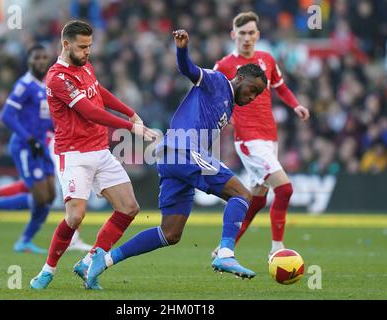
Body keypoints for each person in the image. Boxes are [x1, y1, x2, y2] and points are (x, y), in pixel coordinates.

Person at [86, 29, 267, 289]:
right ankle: (226, 254)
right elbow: (189, 69)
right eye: (252, 89)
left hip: (173, 159)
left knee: (170, 233)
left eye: (257, 95)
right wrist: (182, 49)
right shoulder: (218, 81)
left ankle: (103, 260)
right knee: (242, 195)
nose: (251, 97)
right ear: (239, 78)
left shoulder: (229, 104)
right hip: (184, 151)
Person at [29, 20, 158, 289]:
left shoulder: (84, 65)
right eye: (83, 46)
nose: (88, 51)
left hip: (100, 150)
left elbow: (98, 93)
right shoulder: (58, 78)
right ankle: (48, 270)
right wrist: (130, 126)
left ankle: (89, 262)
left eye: (89, 46)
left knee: (129, 207)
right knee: (75, 216)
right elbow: (89, 111)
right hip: (74, 154)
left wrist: (129, 111)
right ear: (66, 44)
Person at [212, 12, 310, 259]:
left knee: (257, 200)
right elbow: (211, 96)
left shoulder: (266, 59)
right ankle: (276, 249)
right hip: (248, 140)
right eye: (242, 33)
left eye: (251, 33)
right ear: (234, 35)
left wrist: (295, 104)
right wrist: (225, 116)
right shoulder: (224, 66)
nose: (246, 38)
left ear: (258, 35)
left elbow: (280, 86)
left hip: (270, 137)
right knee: (285, 189)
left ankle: (224, 248)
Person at [0, 44, 56, 254]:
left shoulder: (45, 86)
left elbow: (46, 121)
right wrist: (28, 138)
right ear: (29, 61)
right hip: (24, 146)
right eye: (36, 58)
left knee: (50, 196)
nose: (40, 61)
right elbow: (6, 116)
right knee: (39, 196)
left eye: (44, 58)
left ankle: (25, 241)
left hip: (40, 146)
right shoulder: (24, 85)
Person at [0, 131, 93, 252]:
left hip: (50, 146)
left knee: (41, 194)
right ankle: (71, 239)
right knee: (46, 194)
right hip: (47, 147)